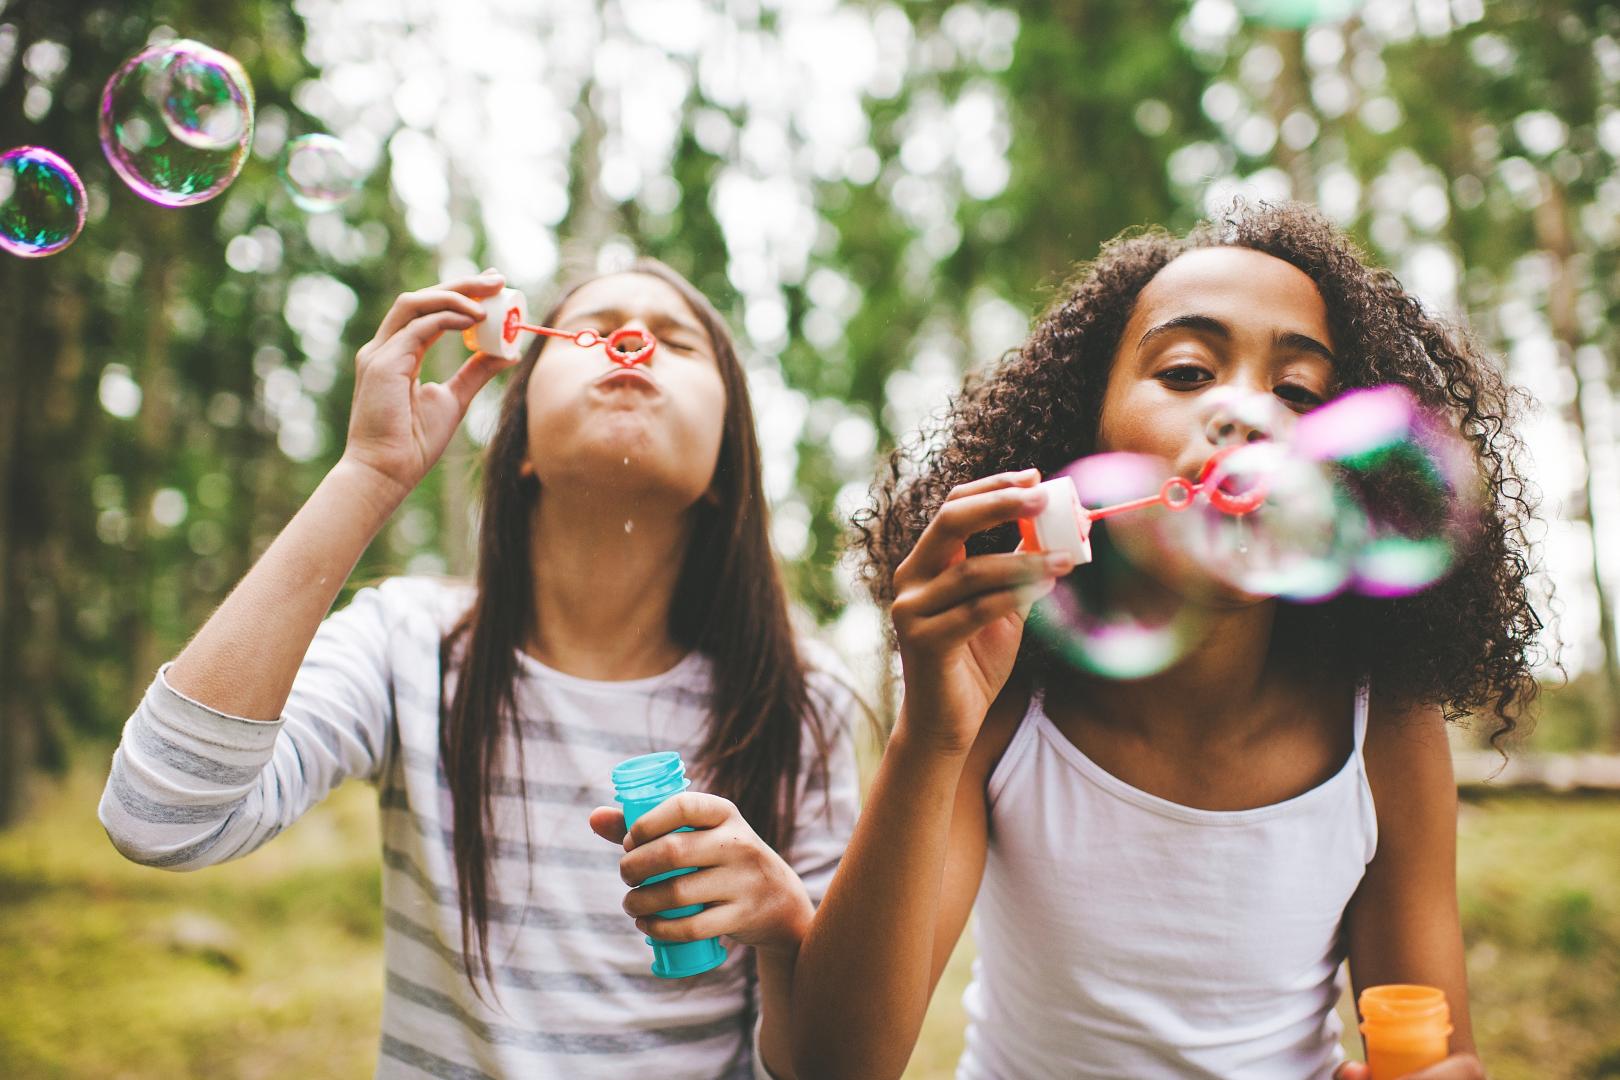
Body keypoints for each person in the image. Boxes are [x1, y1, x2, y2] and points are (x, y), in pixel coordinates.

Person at [791, 201, 1539, 1079]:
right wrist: (930, 735)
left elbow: (1433, 1049)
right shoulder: (1008, 699)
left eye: (1297, 392)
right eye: (1187, 372)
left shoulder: (1379, 723)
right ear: (1086, 425)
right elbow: (831, 1063)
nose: (1247, 414)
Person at [99, 259, 859, 1080]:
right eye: (595, 331)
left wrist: (786, 929)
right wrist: (368, 476)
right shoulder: (410, 645)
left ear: (723, 469)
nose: (631, 344)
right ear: (522, 442)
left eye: (676, 341)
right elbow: (157, 817)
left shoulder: (795, 700)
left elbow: (834, 1066)